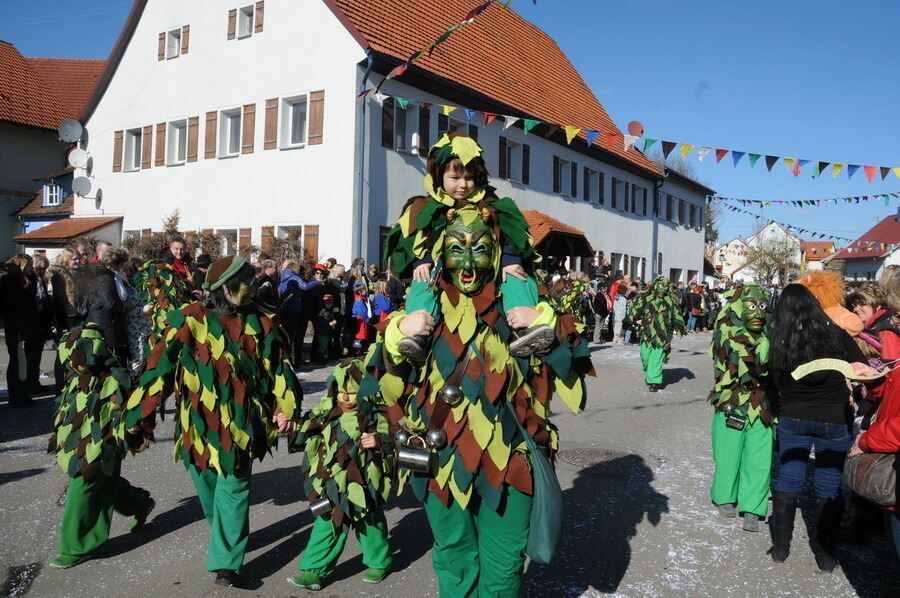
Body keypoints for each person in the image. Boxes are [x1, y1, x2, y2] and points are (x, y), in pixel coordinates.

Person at [369, 202, 594, 597]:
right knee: (453, 558)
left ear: (497, 250)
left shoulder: (520, 298)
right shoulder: (425, 304)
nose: (468, 262)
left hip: (509, 458)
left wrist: (544, 322)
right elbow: (382, 383)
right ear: (440, 252)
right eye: (456, 247)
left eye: (480, 246)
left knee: (504, 563)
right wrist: (397, 332)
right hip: (440, 457)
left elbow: (572, 373)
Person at [123, 256, 303, 587]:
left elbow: (280, 371)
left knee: (233, 487)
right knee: (209, 488)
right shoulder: (190, 321)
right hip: (197, 425)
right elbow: (159, 371)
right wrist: (140, 415)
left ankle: (226, 564)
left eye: (252, 279)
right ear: (223, 287)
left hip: (243, 423)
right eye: (244, 281)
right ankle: (224, 533)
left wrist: (285, 409)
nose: (250, 287)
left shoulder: (262, 325)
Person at [382, 133, 554, 361]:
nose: (463, 184)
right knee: (423, 281)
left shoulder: (495, 207)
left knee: (517, 277)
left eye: (469, 178)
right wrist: (421, 260)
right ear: (439, 175)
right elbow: (411, 238)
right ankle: (418, 332)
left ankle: (525, 327)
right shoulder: (422, 208)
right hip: (441, 274)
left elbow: (512, 234)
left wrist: (510, 260)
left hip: (491, 275)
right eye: (454, 177)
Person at [767, 283, 875, 572]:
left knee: (788, 479)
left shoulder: (779, 337)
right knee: (828, 484)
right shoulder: (835, 333)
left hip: (793, 415)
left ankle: (780, 548)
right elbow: (863, 368)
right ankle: (826, 554)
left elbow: (771, 377)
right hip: (833, 417)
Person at [47, 323, 155, 569]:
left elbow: (138, 404)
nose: (72, 362)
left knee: (84, 485)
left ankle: (76, 547)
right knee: (102, 481)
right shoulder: (75, 375)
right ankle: (139, 503)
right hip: (81, 439)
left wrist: (132, 425)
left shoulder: (114, 377)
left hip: (106, 441)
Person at [286, 359, 394, 590]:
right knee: (327, 521)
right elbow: (307, 432)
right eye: (342, 392)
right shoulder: (326, 412)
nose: (346, 398)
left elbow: (395, 440)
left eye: (353, 393)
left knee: (369, 521)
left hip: (364, 480)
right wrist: (295, 426)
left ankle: (379, 562)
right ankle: (314, 570)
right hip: (332, 480)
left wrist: (379, 441)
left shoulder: (376, 414)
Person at [708, 284, 774, 533]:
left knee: (759, 455)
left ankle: (753, 508)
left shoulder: (772, 334)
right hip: (733, 401)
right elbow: (723, 365)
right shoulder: (725, 332)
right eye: (750, 306)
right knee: (729, 452)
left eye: (761, 307)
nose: (757, 312)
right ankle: (725, 496)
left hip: (764, 402)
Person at [626, 277, 685, 392]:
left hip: (663, 334)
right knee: (645, 356)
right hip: (647, 333)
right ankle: (650, 373)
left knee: (656, 358)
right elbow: (633, 308)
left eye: (664, 289)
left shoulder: (670, 301)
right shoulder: (645, 297)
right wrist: (634, 319)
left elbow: (676, 315)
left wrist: (679, 329)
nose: (662, 292)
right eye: (660, 289)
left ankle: (654, 381)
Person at [2, 255, 42, 406]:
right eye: (29, 265)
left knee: (23, 361)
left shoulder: (29, 280)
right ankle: (16, 395)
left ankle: (22, 393)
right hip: (16, 327)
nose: (32, 268)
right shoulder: (9, 282)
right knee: (17, 361)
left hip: (27, 325)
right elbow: (7, 307)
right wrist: (16, 324)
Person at [311, 294, 338, 365]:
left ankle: (322, 357)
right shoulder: (321, 311)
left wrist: (334, 320)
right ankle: (319, 358)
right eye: (327, 303)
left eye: (330, 303)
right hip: (321, 331)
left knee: (324, 344)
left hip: (326, 331)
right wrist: (329, 323)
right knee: (322, 345)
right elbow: (320, 321)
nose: (329, 304)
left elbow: (331, 317)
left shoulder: (330, 310)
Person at [350, 282, 371, 355]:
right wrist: (367, 318)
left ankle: (359, 349)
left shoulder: (361, 299)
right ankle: (357, 350)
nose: (366, 291)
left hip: (361, 320)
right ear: (360, 292)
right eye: (364, 290)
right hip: (361, 320)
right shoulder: (359, 301)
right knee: (359, 336)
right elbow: (362, 311)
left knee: (360, 336)